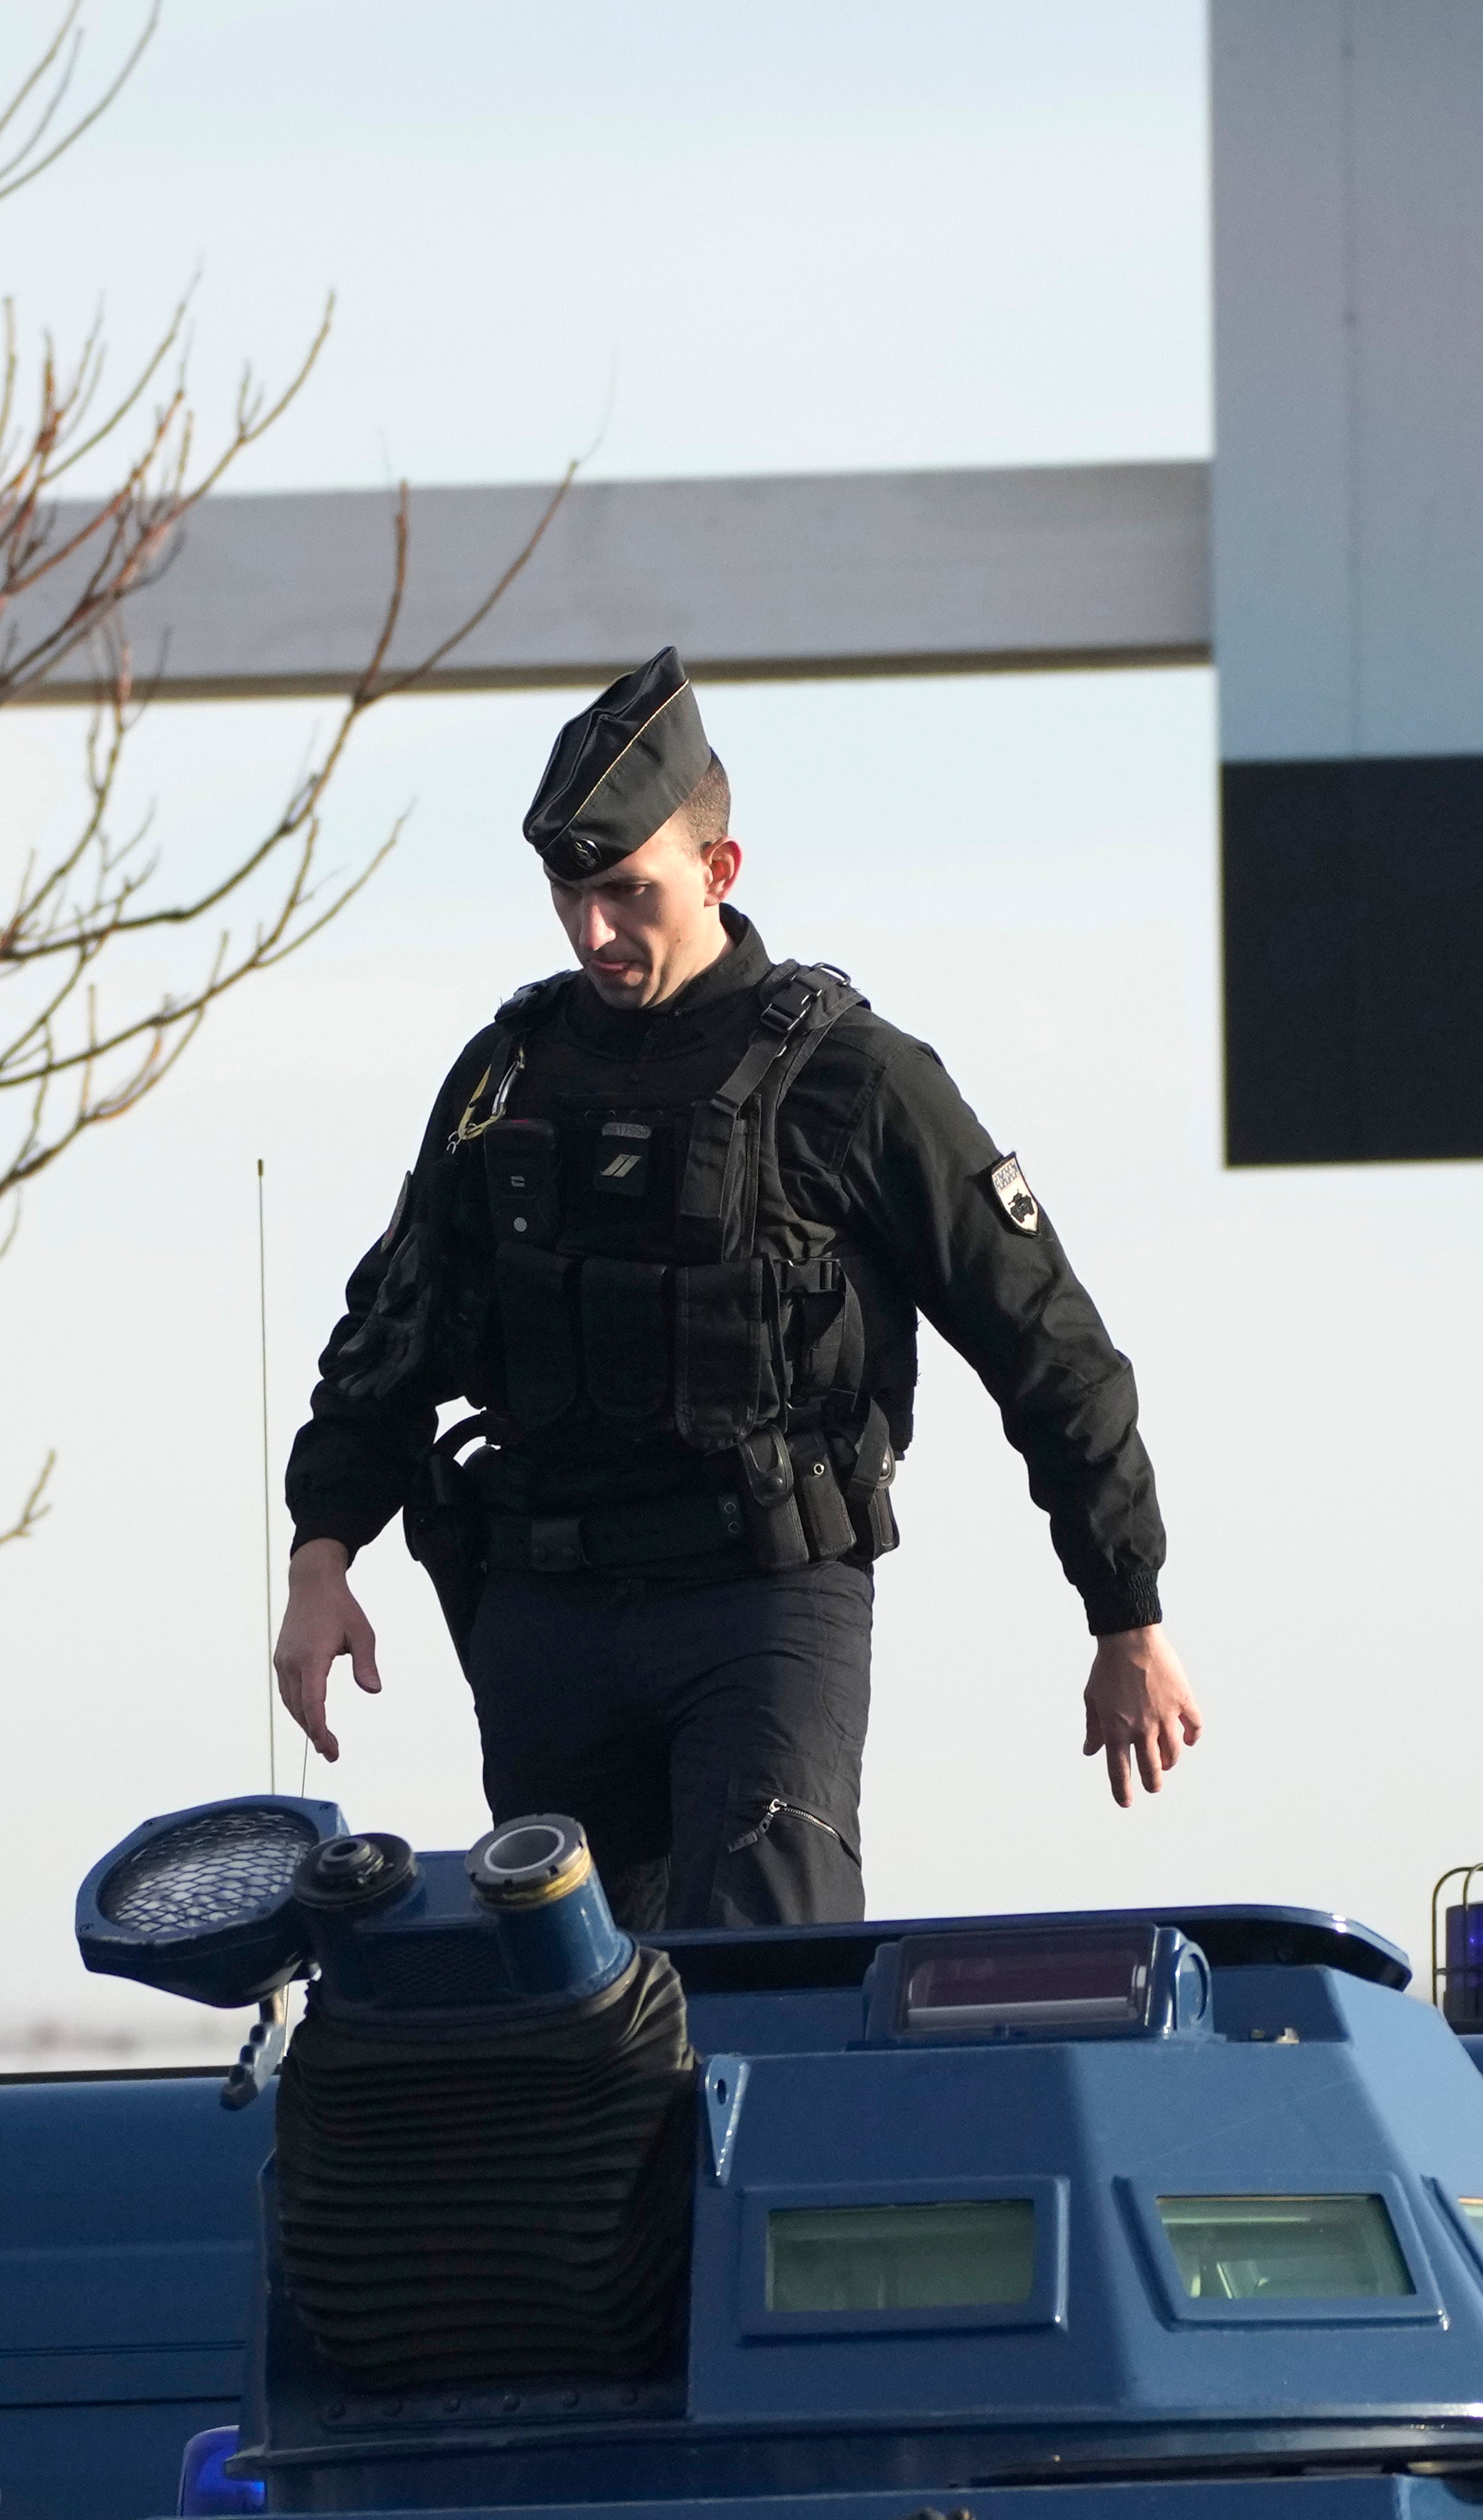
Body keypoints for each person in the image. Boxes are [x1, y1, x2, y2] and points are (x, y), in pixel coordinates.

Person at [270, 648, 1198, 1925]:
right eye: (567, 892)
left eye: (628, 891)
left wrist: (1125, 1610)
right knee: (573, 2013)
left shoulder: (855, 1079)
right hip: (545, 1613)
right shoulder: (505, 1080)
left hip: (762, 1608)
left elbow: (1045, 1339)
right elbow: (392, 1334)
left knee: (773, 1974)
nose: (595, 930)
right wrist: (321, 1557)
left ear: (718, 870)